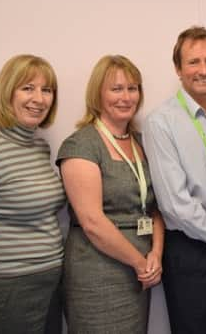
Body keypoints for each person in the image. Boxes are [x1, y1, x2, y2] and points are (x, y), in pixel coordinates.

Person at [143, 26, 206, 334]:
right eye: (194, 62)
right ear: (178, 68)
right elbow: (174, 202)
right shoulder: (161, 122)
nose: (203, 70)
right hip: (190, 250)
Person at [57, 55, 164, 333]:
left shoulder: (142, 142)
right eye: (116, 89)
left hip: (140, 273)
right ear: (98, 94)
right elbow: (92, 222)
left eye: (132, 88)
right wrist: (141, 262)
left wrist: (156, 254)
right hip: (97, 272)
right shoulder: (81, 145)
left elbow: (154, 208)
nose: (126, 97)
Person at [0, 55, 65, 334]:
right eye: (28, 88)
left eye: (47, 90)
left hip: (51, 278)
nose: (39, 99)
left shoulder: (38, 148)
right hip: (9, 285)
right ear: (7, 91)